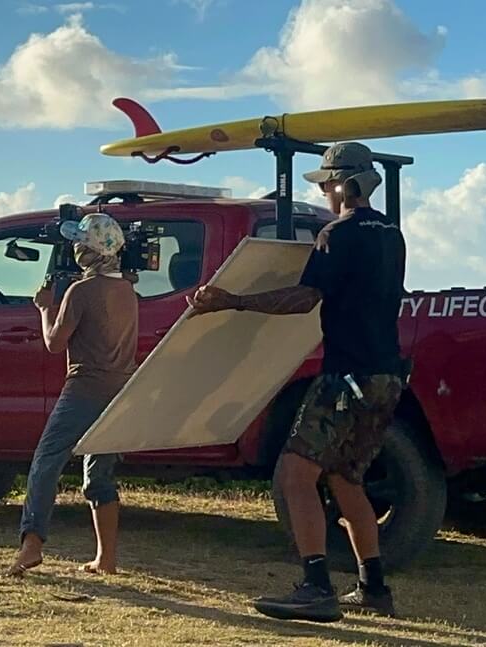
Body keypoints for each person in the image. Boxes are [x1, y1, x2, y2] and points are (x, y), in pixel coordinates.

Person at [188, 142, 406, 622]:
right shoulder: (392, 234)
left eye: (326, 183)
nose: (324, 192)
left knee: (293, 474)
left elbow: (304, 298)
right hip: (386, 375)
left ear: (340, 184)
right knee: (346, 478)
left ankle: (315, 586)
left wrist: (233, 301)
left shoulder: (338, 234)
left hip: (346, 376)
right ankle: (374, 588)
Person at [6, 212, 138, 577]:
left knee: (46, 460)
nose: (75, 248)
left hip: (84, 388)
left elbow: (53, 343)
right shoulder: (128, 289)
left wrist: (45, 307)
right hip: (119, 390)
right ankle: (106, 558)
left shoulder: (82, 291)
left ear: (88, 250)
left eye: (79, 243)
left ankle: (31, 543)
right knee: (99, 473)